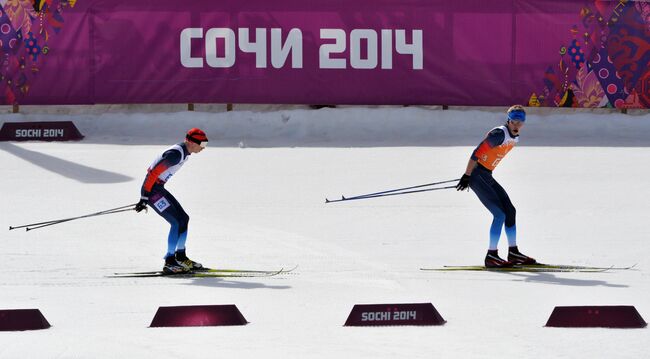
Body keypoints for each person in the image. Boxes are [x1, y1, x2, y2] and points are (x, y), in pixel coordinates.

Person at [455, 105, 537, 268]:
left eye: (520, 122)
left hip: (487, 175)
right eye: (514, 121)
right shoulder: (499, 134)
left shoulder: (514, 136)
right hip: (478, 175)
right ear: (508, 119)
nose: (517, 124)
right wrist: (467, 175)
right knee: (499, 215)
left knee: (510, 211)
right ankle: (491, 256)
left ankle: (513, 252)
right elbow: (477, 152)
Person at [135, 128, 208, 274]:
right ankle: (169, 262)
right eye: (202, 144)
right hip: (152, 191)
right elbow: (153, 173)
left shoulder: (184, 153)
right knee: (175, 222)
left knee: (184, 219)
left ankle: (180, 257)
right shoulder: (175, 155)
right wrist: (144, 197)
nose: (203, 148)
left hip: (158, 188)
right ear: (192, 142)